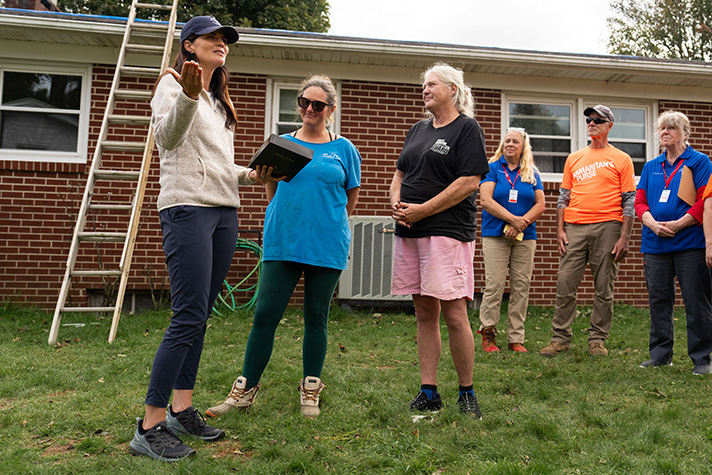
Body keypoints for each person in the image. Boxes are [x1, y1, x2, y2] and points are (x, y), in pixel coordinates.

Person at [129, 16, 276, 462]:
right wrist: (189, 95)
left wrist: (251, 175)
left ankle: (182, 408)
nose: (222, 44)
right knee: (187, 315)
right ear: (189, 46)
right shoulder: (173, 85)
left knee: (200, 315)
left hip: (223, 212)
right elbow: (167, 139)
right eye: (212, 38)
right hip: (186, 209)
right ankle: (150, 425)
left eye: (225, 40)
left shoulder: (218, 103)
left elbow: (216, 165)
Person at [206, 75, 361, 418]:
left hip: (326, 243)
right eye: (304, 102)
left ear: (330, 110)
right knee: (264, 316)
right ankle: (243, 391)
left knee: (315, 317)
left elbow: (350, 197)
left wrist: (327, 221)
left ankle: (310, 389)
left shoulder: (344, 150)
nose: (309, 109)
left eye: (318, 105)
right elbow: (271, 189)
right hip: (283, 240)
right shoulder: (281, 146)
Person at [389, 62, 489, 417]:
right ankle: (429, 391)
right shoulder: (417, 129)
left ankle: (466, 392)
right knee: (423, 311)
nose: (425, 90)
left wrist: (423, 210)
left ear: (452, 90)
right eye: (424, 85)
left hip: (447, 233)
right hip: (411, 231)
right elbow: (400, 172)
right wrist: (396, 203)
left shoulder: (467, 129)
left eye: (432, 84)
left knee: (454, 313)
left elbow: (469, 182)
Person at [540, 104, 635, 357]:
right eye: (589, 120)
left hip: (608, 226)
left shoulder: (622, 159)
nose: (591, 124)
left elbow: (628, 199)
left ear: (609, 126)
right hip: (574, 227)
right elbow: (563, 197)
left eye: (598, 120)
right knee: (565, 282)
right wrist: (560, 230)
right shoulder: (574, 158)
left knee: (604, 286)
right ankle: (560, 338)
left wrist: (625, 236)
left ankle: (597, 340)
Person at [638, 111, 712, 375]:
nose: (665, 133)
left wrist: (680, 224)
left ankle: (702, 359)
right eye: (661, 129)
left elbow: (705, 200)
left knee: (696, 301)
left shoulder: (699, 161)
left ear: (685, 133)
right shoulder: (651, 166)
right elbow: (639, 201)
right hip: (655, 244)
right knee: (659, 300)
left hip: (690, 244)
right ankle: (660, 355)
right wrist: (650, 223)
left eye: (670, 128)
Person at [478, 128, 545, 353]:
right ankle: (488, 334)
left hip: (525, 237)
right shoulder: (492, 168)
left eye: (515, 141)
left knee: (521, 286)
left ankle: (516, 338)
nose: (510, 144)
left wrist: (521, 223)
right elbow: (486, 200)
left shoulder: (531, 172)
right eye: (507, 141)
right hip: (495, 234)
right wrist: (512, 220)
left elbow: (540, 204)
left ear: (523, 146)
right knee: (494, 286)